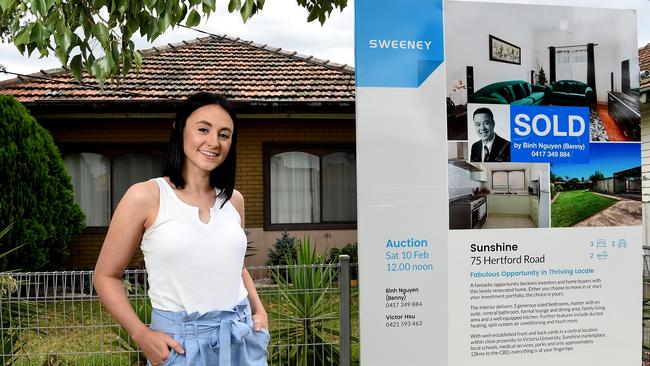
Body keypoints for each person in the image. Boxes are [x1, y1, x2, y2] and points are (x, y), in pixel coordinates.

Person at [94, 92, 269, 365]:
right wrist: (141, 334)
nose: (214, 142)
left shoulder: (234, 200)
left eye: (225, 134)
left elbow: (238, 267)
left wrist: (259, 310)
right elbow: (105, 275)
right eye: (203, 129)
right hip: (180, 346)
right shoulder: (145, 196)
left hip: (240, 337)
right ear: (179, 130)